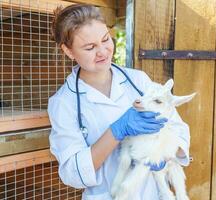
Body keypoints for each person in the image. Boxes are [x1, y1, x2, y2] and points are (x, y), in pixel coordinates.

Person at [48, 3, 191, 200]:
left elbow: (178, 129)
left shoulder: (139, 80)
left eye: (105, 39)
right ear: (68, 51)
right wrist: (116, 131)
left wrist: (166, 152)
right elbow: (73, 173)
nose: (103, 51)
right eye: (90, 47)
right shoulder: (64, 103)